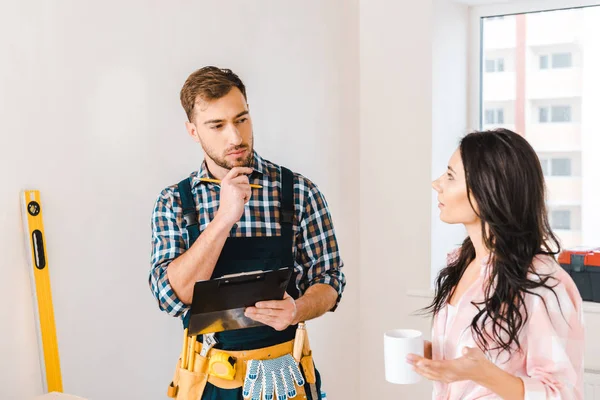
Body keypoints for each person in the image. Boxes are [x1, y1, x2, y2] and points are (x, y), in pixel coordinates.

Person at [149, 66, 345, 400]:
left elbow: (330, 281)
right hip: (209, 381)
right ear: (193, 131)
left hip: (287, 378)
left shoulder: (298, 192)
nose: (236, 137)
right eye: (217, 125)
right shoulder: (174, 203)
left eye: (242, 119)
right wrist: (223, 219)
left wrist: (297, 309)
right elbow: (172, 297)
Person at [407, 129, 584, 399]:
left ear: (488, 190)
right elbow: (484, 358)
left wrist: (482, 373)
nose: (436, 183)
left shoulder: (541, 281)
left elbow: (562, 394)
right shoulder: (463, 264)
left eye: (451, 176)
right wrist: (442, 355)